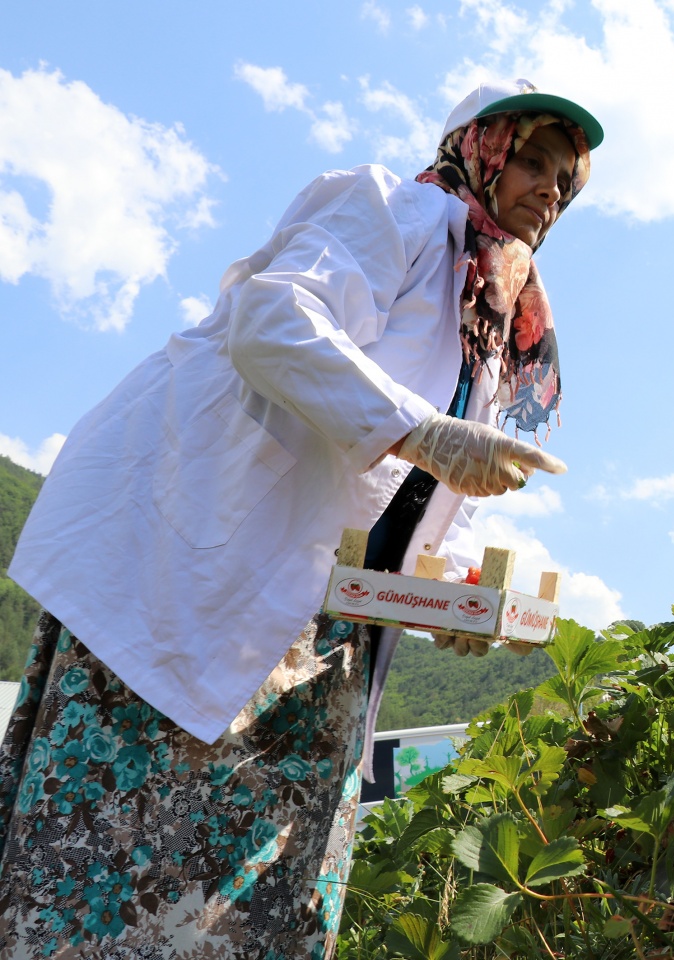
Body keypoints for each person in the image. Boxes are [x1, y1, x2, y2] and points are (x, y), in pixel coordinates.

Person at [0, 79, 601, 958]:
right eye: (535, 160)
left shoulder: (493, 318)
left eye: (566, 179)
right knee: (119, 860)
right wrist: (419, 429)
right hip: (196, 568)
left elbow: (439, 497)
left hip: (319, 627)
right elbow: (274, 323)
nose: (550, 189)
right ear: (482, 149)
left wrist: (457, 594)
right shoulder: (389, 212)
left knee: (265, 891)